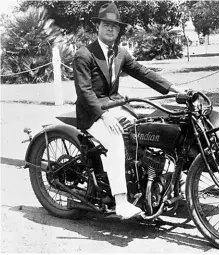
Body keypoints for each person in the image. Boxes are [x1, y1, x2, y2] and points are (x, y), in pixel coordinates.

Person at [73, 3, 185, 220]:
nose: (110, 29)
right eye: (106, 24)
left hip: (116, 106)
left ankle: (148, 186)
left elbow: (144, 73)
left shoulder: (120, 52)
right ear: (97, 27)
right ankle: (122, 201)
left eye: (115, 26)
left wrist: (175, 90)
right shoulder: (84, 54)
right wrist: (103, 115)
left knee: (147, 131)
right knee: (116, 140)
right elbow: (84, 92)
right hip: (92, 112)